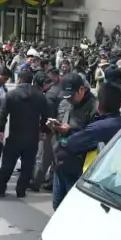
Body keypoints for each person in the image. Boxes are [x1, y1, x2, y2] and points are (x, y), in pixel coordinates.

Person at [0, 69, 48, 198]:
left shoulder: (12, 95)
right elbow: (45, 116)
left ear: (19, 79)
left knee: (8, 163)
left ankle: (0, 187)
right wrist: (43, 130)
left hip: (15, 134)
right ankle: (21, 190)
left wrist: (0, 130)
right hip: (32, 136)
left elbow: (2, 114)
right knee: (27, 165)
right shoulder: (40, 96)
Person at [49, 72, 98, 208]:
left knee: (71, 207)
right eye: (66, 96)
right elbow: (61, 123)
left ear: (81, 90)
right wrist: (55, 127)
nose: (69, 99)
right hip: (60, 163)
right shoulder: (65, 102)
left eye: (71, 96)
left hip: (77, 168)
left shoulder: (94, 107)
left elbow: (93, 138)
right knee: (57, 204)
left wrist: (70, 131)